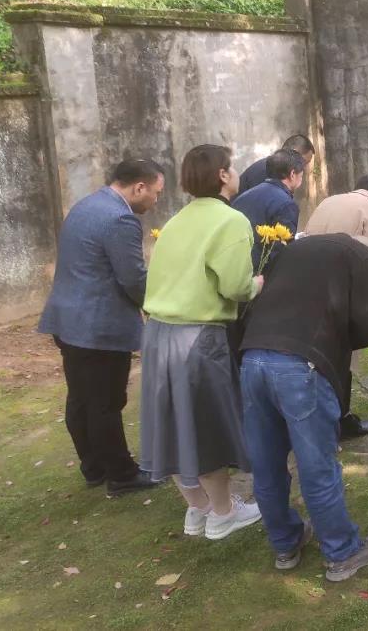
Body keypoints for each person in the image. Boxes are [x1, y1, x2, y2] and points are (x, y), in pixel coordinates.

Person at [239, 232, 368, 581]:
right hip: (301, 366)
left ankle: (285, 544)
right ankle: (342, 551)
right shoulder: (365, 259)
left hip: (252, 357)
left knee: (266, 462)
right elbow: (366, 328)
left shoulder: (295, 248)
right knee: (316, 465)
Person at [139, 144, 264, 541]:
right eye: (232, 167)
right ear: (223, 175)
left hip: (157, 334)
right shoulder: (231, 220)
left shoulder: (175, 220)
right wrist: (257, 284)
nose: (236, 173)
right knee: (204, 425)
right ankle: (224, 513)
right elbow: (236, 287)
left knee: (170, 424)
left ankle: (198, 508)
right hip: (196, 336)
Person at [38, 159, 166, 495]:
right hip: (98, 326)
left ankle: (94, 466)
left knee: (81, 398)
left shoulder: (86, 205)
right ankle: (122, 476)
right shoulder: (120, 218)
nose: (156, 201)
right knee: (105, 403)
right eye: (156, 193)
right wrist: (159, 306)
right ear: (139, 187)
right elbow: (133, 278)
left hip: (68, 320)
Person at [304, 173, 368, 438]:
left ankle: (317, 414)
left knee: (312, 353)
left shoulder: (328, 201)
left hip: (307, 282)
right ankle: (340, 419)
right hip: (340, 286)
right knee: (343, 352)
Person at [231, 148, 306, 271]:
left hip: (234, 266)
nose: (301, 180)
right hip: (258, 273)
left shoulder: (244, 196)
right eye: (301, 176)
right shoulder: (286, 205)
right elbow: (282, 251)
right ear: (292, 174)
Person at [238, 134, 315, 197]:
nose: (304, 168)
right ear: (294, 153)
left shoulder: (277, 172)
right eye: (304, 162)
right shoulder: (266, 172)